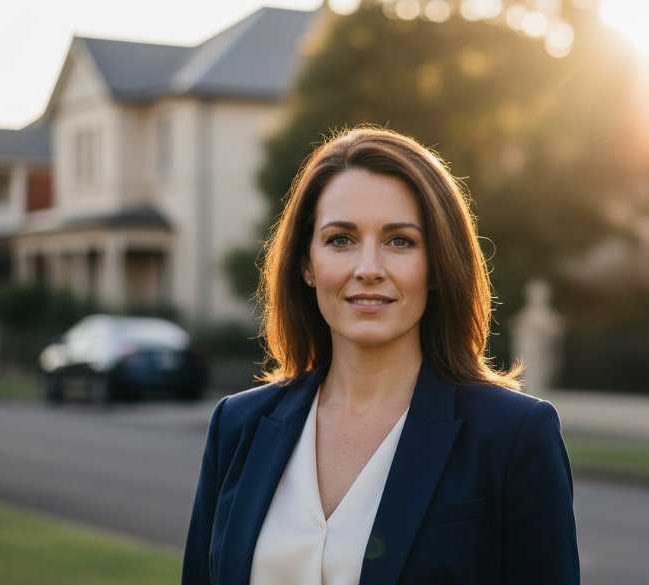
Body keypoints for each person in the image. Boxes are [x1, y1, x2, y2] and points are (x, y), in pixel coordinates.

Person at [182, 127, 580, 585]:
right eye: (340, 239)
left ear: (437, 265)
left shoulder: (514, 436)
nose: (368, 269)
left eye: (400, 241)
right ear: (307, 264)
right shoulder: (238, 426)